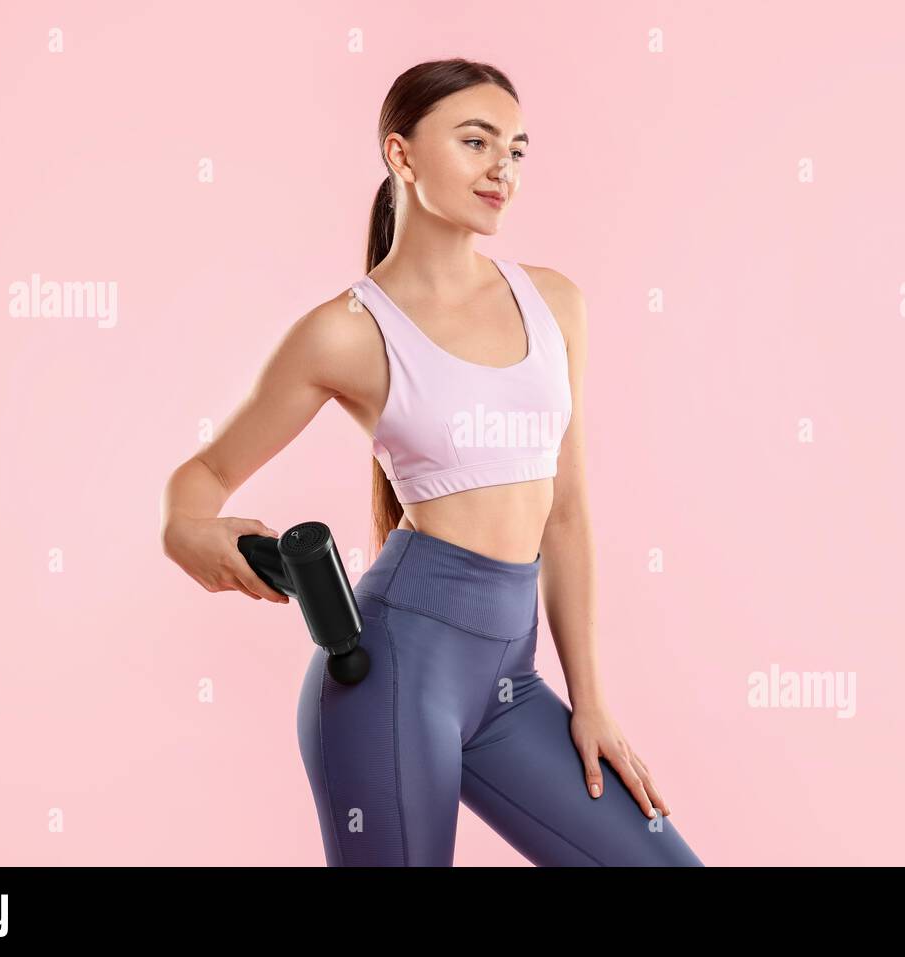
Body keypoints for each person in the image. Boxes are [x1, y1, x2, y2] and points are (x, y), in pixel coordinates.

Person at [161, 57, 703, 866]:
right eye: (476, 142)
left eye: (516, 150)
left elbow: (566, 512)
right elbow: (199, 480)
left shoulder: (555, 303)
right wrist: (188, 532)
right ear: (401, 155)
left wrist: (589, 701)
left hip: (511, 687)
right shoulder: (346, 331)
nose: (502, 170)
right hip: (393, 675)